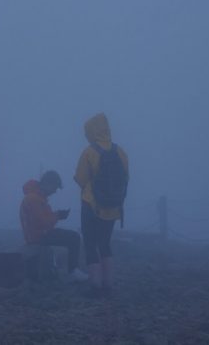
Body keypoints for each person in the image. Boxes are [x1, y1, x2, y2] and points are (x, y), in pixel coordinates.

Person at [74, 113, 129, 297]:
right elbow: (126, 178)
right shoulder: (120, 151)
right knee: (105, 243)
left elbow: (81, 179)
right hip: (113, 207)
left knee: (90, 243)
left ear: (91, 131)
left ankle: (95, 284)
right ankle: (108, 283)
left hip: (91, 203)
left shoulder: (89, 151)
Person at [19, 170, 89, 282]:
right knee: (74, 237)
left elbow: (42, 219)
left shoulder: (37, 197)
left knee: (71, 236)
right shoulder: (33, 198)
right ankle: (72, 271)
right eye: (55, 188)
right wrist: (58, 215)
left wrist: (58, 215)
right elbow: (43, 222)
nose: (55, 191)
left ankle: (68, 269)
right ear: (48, 183)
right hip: (38, 236)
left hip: (38, 234)